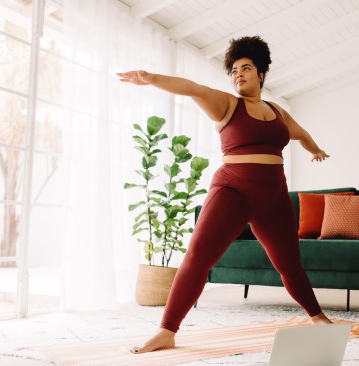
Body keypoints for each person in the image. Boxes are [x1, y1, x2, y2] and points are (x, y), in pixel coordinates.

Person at [117, 35, 332, 354]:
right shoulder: (228, 105)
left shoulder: (278, 113)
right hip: (233, 191)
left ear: (261, 74)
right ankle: (167, 330)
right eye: (233, 70)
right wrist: (153, 79)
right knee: (198, 256)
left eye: (246, 68)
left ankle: (317, 317)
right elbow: (192, 88)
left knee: (290, 264)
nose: (238, 74)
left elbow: (301, 134)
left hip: (274, 197)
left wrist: (315, 150)